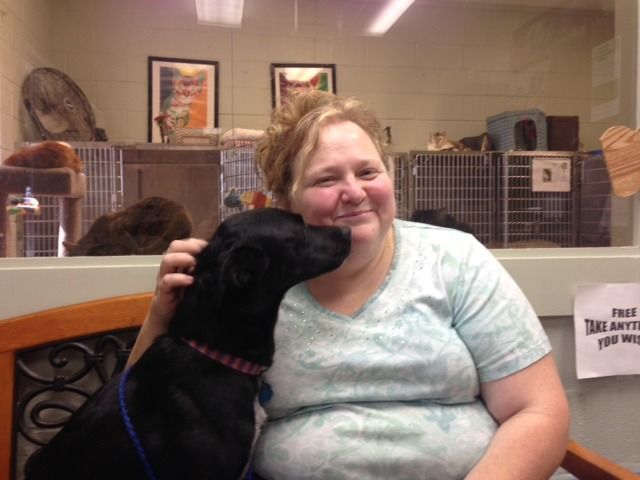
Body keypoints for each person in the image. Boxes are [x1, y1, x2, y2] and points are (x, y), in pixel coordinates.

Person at [128, 90, 569, 479]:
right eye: (327, 178)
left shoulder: (456, 259)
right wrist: (161, 317)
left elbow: (538, 411)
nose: (355, 191)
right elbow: (150, 414)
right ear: (285, 200)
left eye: (368, 172)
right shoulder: (252, 281)